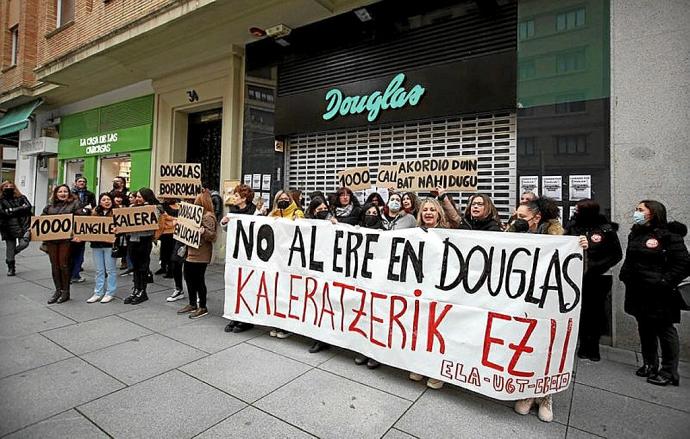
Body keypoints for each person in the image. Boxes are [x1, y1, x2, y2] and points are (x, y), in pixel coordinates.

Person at [512, 197, 588, 422]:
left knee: (546, 345)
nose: (518, 220)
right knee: (525, 345)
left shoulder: (559, 237)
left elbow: (573, 270)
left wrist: (581, 249)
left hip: (548, 300)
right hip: (521, 299)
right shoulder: (513, 232)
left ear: (537, 217)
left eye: (522, 217)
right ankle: (527, 391)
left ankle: (545, 394)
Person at [619, 200, 690, 387]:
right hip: (638, 291)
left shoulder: (670, 236)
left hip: (661, 294)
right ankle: (650, 364)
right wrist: (625, 275)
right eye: (636, 209)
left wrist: (664, 282)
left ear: (653, 213)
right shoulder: (636, 233)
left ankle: (668, 371)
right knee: (645, 328)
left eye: (641, 210)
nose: (637, 212)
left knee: (665, 330)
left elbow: (683, 264)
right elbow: (631, 258)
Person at [565, 199, 623, 361]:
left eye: (578, 209)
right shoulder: (572, 227)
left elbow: (616, 254)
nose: (575, 212)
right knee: (582, 311)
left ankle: (594, 346)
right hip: (577, 277)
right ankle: (583, 345)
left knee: (596, 312)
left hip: (599, 278)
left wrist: (595, 267)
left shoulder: (605, 229)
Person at [407, 197, 448, 389]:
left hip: (439, 289)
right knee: (420, 328)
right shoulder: (414, 233)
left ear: (439, 213)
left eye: (432, 209)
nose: (428, 213)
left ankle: (436, 371)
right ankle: (420, 365)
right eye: (425, 210)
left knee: (437, 330)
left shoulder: (447, 233)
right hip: (419, 287)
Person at [352, 203, 387, 367]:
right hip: (361, 280)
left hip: (377, 281)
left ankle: (377, 353)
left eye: (375, 213)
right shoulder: (356, 230)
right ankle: (363, 349)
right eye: (369, 212)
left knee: (376, 316)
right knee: (362, 316)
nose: (371, 215)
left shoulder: (385, 233)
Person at [177, 190, 218, 319]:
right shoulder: (195, 215)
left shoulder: (208, 216)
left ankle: (203, 306)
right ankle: (192, 303)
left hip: (201, 253)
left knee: (198, 280)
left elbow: (212, 236)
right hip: (191, 251)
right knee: (189, 278)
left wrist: (204, 231)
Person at [268, 190, 304, 338]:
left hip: (291, 260)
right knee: (276, 292)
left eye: (285, 198)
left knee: (288, 292)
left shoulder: (297, 213)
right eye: (280, 199)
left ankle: (287, 326)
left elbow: (303, 231)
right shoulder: (273, 214)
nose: (283, 200)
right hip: (276, 259)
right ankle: (277, 322)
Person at [222, 184, 257, 332]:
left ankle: (246, 320)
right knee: (234, 286)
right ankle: (234, 316)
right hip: (235, 256)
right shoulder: (233, 212)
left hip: (249, 256)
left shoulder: (256, 213)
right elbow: (228, 230)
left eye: (236, 196)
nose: (233, 198)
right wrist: (224, 224)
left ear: (244, 198)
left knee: (247, 287)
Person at [41, 184, 82, 304]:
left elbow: (81, 220)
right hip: (52, 241)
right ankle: (57, 290)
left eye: (65, 191)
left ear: (69, 193)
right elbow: (42, 220)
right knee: (54, 265)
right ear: (56, 193)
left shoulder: (75, 204)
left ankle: (66, 292)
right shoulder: (49, 206)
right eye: (60, 191)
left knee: (64, 264)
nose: (63, 193)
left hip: (66, 240)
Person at [305, 195, 334, 353]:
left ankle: (322, 339)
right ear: (313, 211)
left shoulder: (333, 223)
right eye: (319, 210)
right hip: (312, 269)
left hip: (327, 270)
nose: (323, 212)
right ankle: (317, 337)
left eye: (325, 209)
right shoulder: (307, 224)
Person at [123, 188, 160, 305]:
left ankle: (142, 291)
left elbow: (155, 222)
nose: (138, 199)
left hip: (144, 240)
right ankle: (136, 289)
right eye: (137, 197)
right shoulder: (131, 208)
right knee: (135, 266)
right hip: (132, 240)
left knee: (142, 266)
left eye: (140, 197)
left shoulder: (154, 209)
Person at [86, 193, 118, 303]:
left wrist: (117, 230)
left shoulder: (117, 212)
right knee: (99, 270)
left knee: (110, 270)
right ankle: (98, 292)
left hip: (109, 245)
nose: (107, 201)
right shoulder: (94, 213)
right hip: (96, 244)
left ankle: (110, 292)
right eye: (104, 199)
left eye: (109, 199)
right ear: (100, 202)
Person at [0, 181, 32, 276]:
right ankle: (11, 268)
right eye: (6, 186)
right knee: (10, 246)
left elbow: (28, 207)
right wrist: (20, 209)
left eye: (11, 186)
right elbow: (3, 212)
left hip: (23, 224)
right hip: (7, 227)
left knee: (24, 243)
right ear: (2, 188)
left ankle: (12, 254)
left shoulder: (21, 197)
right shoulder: (1, 200)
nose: (9, 187)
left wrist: (11, 210)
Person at [70, 176, 96, 283]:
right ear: (75, 183)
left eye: (84, 182)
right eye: (80, 181)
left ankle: (75, 273)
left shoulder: (90, 194)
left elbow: (94, 207)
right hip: (71, 225)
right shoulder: (70, 194)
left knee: (80, 249)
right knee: (71, 251)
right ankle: (72, 273)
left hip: (84, 225)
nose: (82, 183)